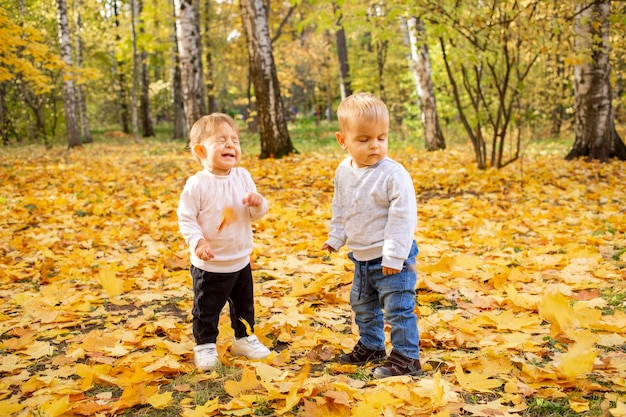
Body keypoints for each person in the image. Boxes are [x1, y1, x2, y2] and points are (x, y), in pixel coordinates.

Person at [322, 93, 422, 378]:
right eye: (364, 140)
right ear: (343, 141)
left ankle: (406, 357)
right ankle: (371, 346)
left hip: (393, 259)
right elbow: (341, 206)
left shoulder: (393, 174)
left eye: (381, 137)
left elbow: (403, 217)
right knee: (362, 305)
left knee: (398, 309)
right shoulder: (343, 171)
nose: (375, 146)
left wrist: (394, 254)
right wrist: (336, 236)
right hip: (362, 256)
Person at [177, 113, 271, 371]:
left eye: (235, 140)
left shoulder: (242, 177)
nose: (231, 145)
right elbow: (186, 218)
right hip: (210, 265)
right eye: (221, 140)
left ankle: (243, 337)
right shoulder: (198, 184)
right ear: (200, 150)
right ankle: (205, 345)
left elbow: (257, 214)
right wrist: (198, 242)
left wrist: (258, 203)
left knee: (244, 305)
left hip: (240, 259)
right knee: (207, 308)